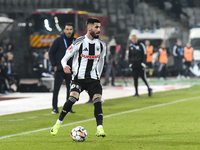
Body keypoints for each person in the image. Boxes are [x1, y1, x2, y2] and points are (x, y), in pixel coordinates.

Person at [50, 17, 106, 137]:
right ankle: (57, 124)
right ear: (89, 28)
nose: (99, 30)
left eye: (99, 27)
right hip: (78, 78)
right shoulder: (79, 42)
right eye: (96, 27)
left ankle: (100, 128)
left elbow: (101, 61)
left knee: (97, 100)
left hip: (93, 79)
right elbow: (64, 58)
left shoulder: (101, 44)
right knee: (73, 97)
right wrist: (64, 66)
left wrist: (98, 77)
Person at [49, 23, 75, 114]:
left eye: (70, 29)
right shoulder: (58, 40)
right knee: (56, 89)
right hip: (60, 69)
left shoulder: (75, 41)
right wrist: (54, 65)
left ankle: (69, 108)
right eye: (67, 29)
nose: (69, 31)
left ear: (72, 30)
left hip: (71, 69)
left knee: (71, 90)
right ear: (64, 30)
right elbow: (51, 53)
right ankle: (55, 108)